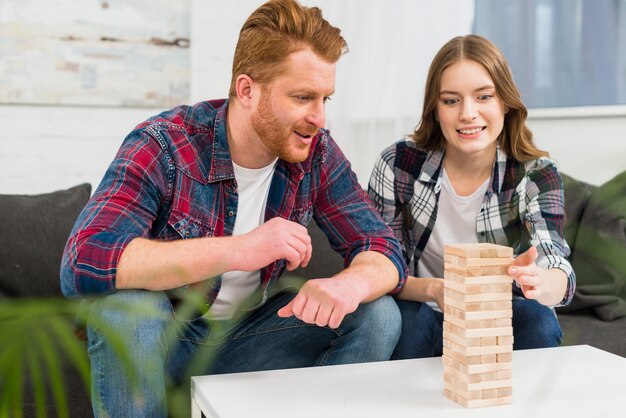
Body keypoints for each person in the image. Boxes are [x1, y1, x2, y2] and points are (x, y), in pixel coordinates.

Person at [61, 1, 408, 416]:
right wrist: (240, 248)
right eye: (302, 97)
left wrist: (347, 286)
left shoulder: (315, 153)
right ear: (247, 90)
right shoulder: (165, 145)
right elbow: (84, 259)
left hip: (245, 342)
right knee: (125, 309)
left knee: (378, 315)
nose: (319, 117)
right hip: (161, 341)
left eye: (325, 98)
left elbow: (384, 249)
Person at [367, 34, 576, 360]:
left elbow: (555, 264)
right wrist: (437, 289)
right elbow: (380, 267)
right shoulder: (397, 164)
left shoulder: (536, 174)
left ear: (504, 103)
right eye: (451, 100)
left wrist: (539, 281)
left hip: (496, 314)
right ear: (435, 110)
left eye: (483, 97)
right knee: (402, 319)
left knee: (540, 319)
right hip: (423, 310)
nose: (468, 113)